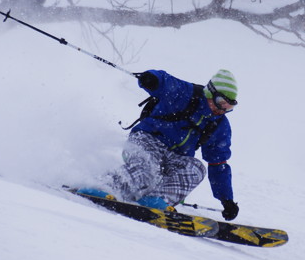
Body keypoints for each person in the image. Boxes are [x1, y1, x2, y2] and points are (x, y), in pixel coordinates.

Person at [79, 69, 240, 221]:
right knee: (148, 167)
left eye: (229, 107)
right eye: (221, 102)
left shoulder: (219, 125)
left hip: (176, 157)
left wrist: (226, 199)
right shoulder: (187, 94)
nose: (222, 110)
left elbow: (218, 163)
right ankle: (104, 186)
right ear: (210, 92)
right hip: (148, 139)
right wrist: (152, 79)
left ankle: (156, 200)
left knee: (197, 169)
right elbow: (166, 82)